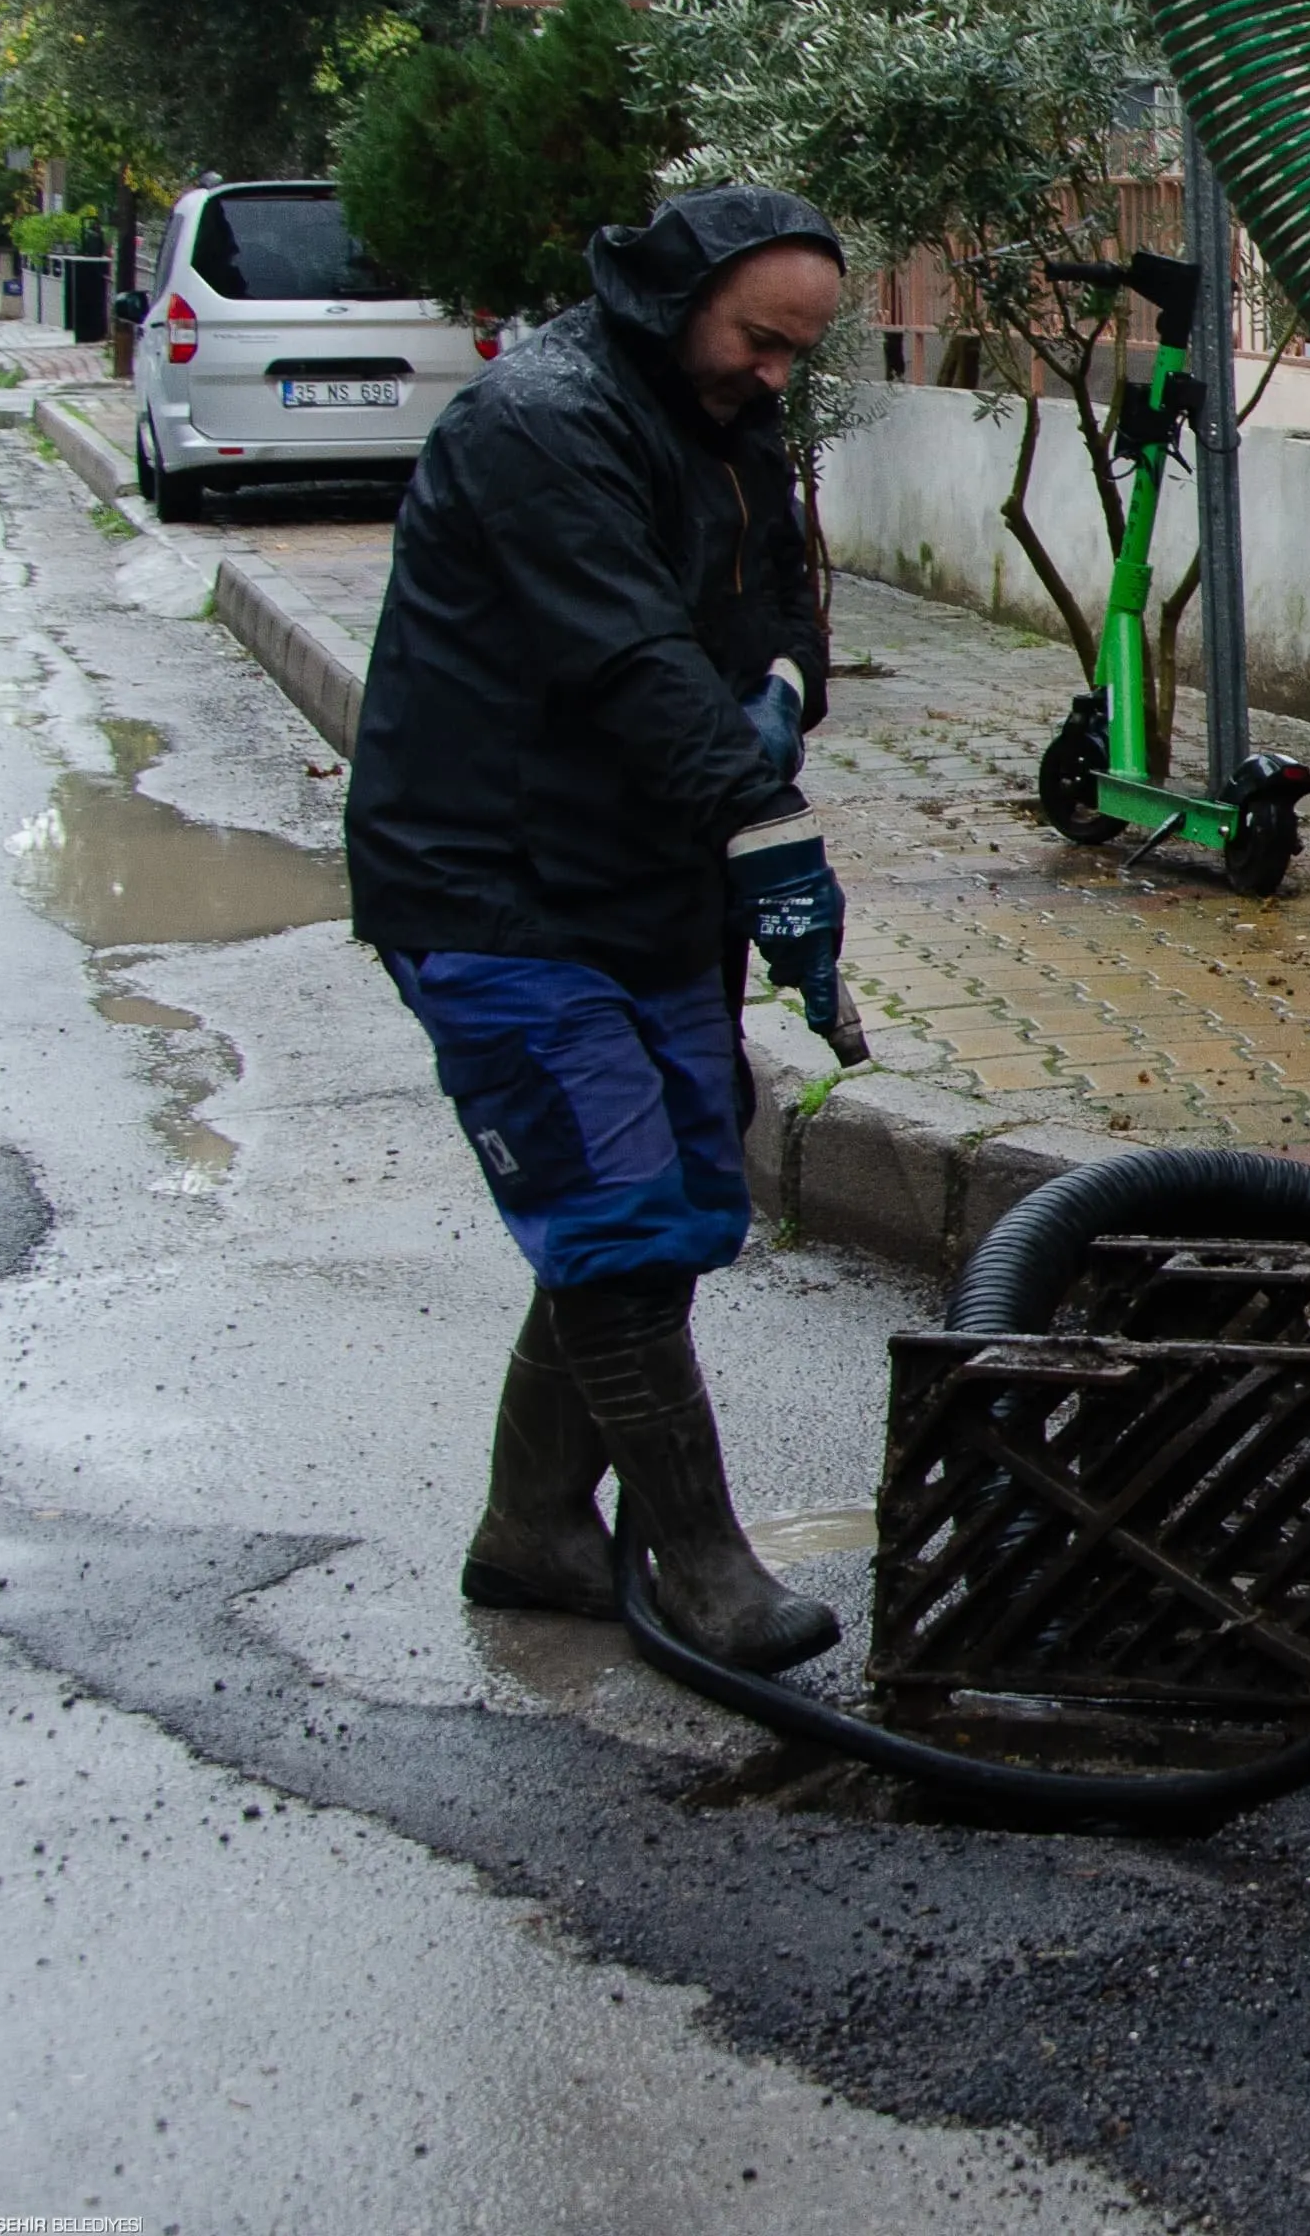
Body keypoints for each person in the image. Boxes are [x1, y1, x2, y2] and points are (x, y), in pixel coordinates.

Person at [343, 186, 873, 1674]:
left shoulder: (729, 424)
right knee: (620, 1215)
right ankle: (702, 1565)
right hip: (496, 881)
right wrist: (766, 826)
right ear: (673, 295)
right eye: (759, 342)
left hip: (645, 877)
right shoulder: (538, 425)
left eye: (797, 357)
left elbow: (782, 616)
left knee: (656, 1199)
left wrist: (777, 687)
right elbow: (632, 664)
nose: (775, 377)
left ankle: (534, 1530)